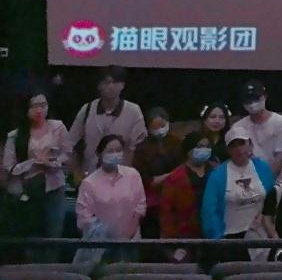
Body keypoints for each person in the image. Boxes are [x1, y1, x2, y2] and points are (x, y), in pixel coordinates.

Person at [3, 92, 72, 253]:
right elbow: (9, 166)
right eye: (34, 106)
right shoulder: (15, 136)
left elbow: (67, 152)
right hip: (28, 189)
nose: (40, 110)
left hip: (54, 187)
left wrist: (54, 162)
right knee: (30, 234)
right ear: (26, 109)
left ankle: (52, 266)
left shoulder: (58, 127)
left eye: (43, 105)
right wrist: (32, 163)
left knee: (54, 234)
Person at [74, 135, 146, 266]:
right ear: (99, 154)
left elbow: (140, 205)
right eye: (110, 151)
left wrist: (128, 233)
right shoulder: (89, 183)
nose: (115, 154)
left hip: (131, 242)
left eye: (118, 150)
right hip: (102, 247)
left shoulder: (133, 175)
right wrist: (105, 235)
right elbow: (84, 217)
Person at [69, 67, 148, 179]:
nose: (111, 86)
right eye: (106, 82)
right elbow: (69, 144)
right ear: (99, 86)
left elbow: (140, 148)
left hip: (122, 178)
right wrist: (76, 173)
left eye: (115, 82)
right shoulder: (87, 109)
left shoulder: (134, 111)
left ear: (122, 85)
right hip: (91, 177)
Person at [203, 131, 275, 253]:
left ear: (250, 145)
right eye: (233, 145)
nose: (238, 149)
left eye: (241, 143)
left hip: (260, 234)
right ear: (228, 150)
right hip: (229, 237)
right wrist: (217, 239)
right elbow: (209, 210)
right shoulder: (217, 175)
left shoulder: (263, 168)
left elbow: (271, 199)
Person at [156, 133, 217, 261]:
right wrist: (172, 242)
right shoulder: (175, 178)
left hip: (214, 234)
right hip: (185, 237)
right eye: (200, 146)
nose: (204, 150)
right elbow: (167, 211)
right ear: (189, 150)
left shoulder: (216, 171)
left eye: (207, 146)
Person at [132, 106, 182, 238]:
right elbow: (139, 173)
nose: (159, 130)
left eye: (162, 126)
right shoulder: (142, 148)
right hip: (152, 201)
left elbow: (183, 165)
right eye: (155, 127)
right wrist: (152, 181)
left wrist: (169, 177)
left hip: (175, 195)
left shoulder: (177, 143)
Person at [226, 81, 282, 172]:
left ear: (265, 97)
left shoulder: (281, 123)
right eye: (248, 100)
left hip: (276, 175)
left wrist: (267, 178)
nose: (252, 103)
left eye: (256, 98)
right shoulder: (238, 126)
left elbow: (281, 157)